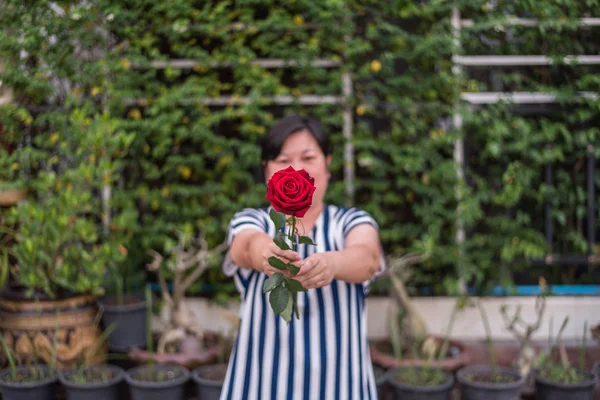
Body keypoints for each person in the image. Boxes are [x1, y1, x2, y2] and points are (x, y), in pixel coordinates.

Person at [220, 114, 386, 400]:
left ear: (328, 165)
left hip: (341, 387)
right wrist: (267, 254)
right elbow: (246, 246)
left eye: (308, 158)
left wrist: (332, 264)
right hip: (263, 387)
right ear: (266, 170)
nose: (296, 169)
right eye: (283, 161)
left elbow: (367, 257)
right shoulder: (254, 220)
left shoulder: (350, 221)